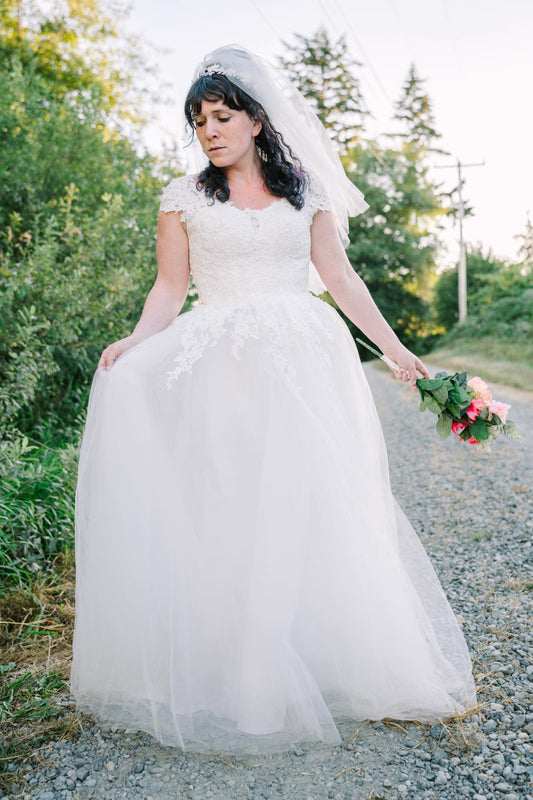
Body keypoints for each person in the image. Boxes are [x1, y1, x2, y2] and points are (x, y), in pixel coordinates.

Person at [69, 44, 477, 756]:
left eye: (222, 116)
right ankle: (238, 671)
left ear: (256, 120)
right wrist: (134, 344)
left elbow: (341, 281)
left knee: (301, 506)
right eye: (199, 121)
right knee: (232, 506)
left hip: (302, 362)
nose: (210, 131)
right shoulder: (183, 198)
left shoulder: (305, 193)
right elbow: (169, 290)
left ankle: (303, 665)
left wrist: (397, 351)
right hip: (219, 363)